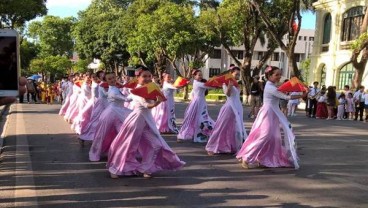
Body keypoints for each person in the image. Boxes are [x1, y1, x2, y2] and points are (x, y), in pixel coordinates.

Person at [107, 66, 185, 178]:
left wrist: (157, 97)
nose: (147, 78)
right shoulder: (136, 91)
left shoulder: (149, 87)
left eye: (149, 76)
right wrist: (157, 102)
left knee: (156, 145)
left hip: (146, 122)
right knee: (128, 145)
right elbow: (147, 105)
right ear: (137, 78)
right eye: (144, 76)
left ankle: (145, 168)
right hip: (136, 121)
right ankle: (115, 169)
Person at [236, 66, 306, 169]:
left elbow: (283, 92)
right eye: (276, 75)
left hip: (273, 113)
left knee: (273, 137)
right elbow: (286, 97)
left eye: (279, 74)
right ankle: (247, 156)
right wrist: (302, 95)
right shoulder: (270, 87)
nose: (279, 77)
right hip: (267, 113)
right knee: (264, 136)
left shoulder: (272, 85)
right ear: (269, 76)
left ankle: (263, 157)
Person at [89, 73, 132, 161]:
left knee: (122, 132)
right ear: (106, 81)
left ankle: (121, 152)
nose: (112, 80)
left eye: (113, 78)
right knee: (102, 134)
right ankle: (96, 152)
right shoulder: (112, 91)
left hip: (118, 112)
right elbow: (127, 99)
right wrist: (137, 92)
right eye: (109, 79)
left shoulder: (114, 88)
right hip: (111, 113)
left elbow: (123, 97)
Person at [206, 67, 247, 155]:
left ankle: (231, 146)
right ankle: (211, 147)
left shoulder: (236, 84)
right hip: (229, 107)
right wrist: (229, 86)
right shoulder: (225, 83)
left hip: (237, 107)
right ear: (231, 74)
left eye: (239, 74)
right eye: (236, 74)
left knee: (234, 128)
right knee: (221, 127)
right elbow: (227, 94)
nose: (238, 76)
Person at [177, 69, 215, 143]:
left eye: (201, 75)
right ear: (194, 76)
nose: (200, 76)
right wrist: (217, 85)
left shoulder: (199, 83)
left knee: (202, 117)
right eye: (199, 75)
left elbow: (195, 92)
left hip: (201, 102)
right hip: (197, 103)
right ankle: (194, 134)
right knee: (198, 118)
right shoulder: (197, 83)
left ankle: (203, 133)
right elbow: (207, 86)